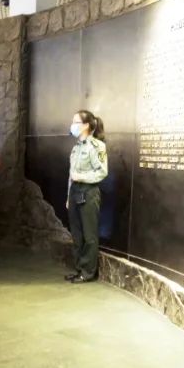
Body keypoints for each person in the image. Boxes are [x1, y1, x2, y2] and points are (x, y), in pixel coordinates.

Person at [67, 110, 108, 283]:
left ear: (85, 125)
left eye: (75, 122)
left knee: (89, 235)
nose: (72, 125)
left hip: (89, 192)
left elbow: (102, 172)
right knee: (76, 234)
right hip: (75, 192)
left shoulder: (96, 146)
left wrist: (81, 177)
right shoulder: (76, 147)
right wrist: (68, 196)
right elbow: (70, 175)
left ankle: (88, 272)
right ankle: (79, 269)